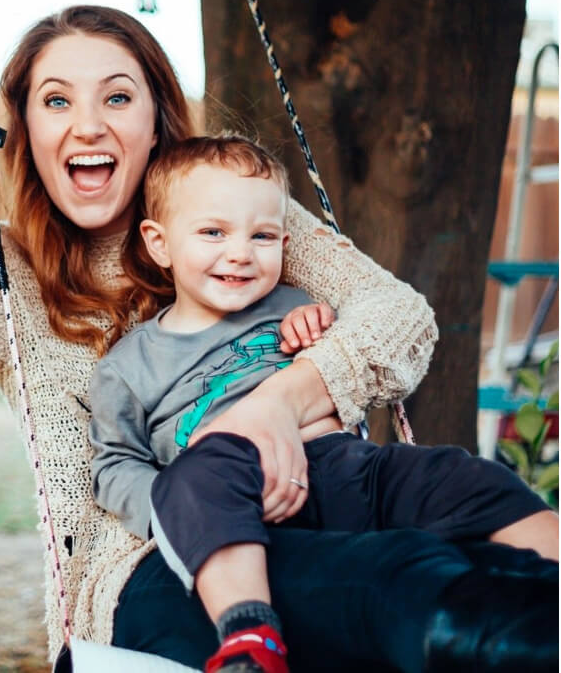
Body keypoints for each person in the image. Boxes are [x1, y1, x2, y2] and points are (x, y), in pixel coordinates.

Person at [0, 0, 558, 673]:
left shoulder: (232, 218)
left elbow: (398, 317)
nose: (89, 125)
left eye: (118, 97)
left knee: (466, 536)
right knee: (389, 579)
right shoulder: (6, 278)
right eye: (57, 100)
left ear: (158, 121)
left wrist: (279, 403)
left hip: (322, 499)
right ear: (29, 131)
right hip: (151, 573)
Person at [88, 134, 558, 673]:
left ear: (284, 244)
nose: (240, 252)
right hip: (237, 487)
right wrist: (179, 509)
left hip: (347, 466)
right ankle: (249, 634)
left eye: (261, 235)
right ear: (159, 242)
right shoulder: (128, 366)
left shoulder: (292, 307)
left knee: (459, 474)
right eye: (213, 232)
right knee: (199, 471)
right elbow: (115, 464)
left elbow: (357, 355)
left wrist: (321, 332)